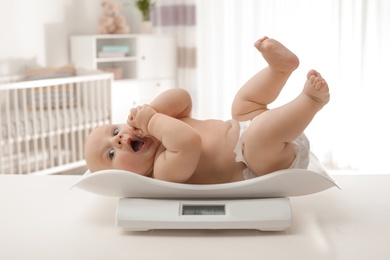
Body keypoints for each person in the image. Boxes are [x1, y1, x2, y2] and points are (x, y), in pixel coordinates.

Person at [84, 36, 329, 184]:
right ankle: (310, 100)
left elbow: (182, 97)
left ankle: (280, 70)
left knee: (242, 104)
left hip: (250, 126)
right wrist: (152, 121)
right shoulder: (162, 170)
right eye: (111, 155)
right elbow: (188, 141)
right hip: (263, 162)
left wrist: (154, 109)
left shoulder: (158, 123)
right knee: (256, 139)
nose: (117, 139)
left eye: (114, 130)